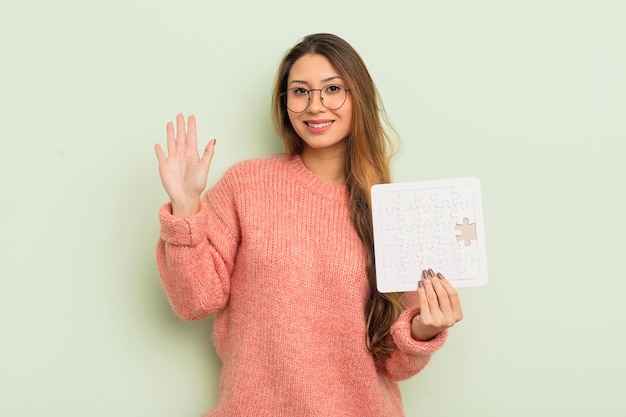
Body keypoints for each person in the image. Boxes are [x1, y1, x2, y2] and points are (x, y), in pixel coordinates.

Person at [154, 33, 463, 417]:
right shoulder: (246, 186)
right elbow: (194, 302)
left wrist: (424, 330)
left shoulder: (392, 210)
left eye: (333, 89)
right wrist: (186, 208)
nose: (315, 106)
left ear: (358, 98)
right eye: (300, 92)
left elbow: (394, 364)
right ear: (285, 104)